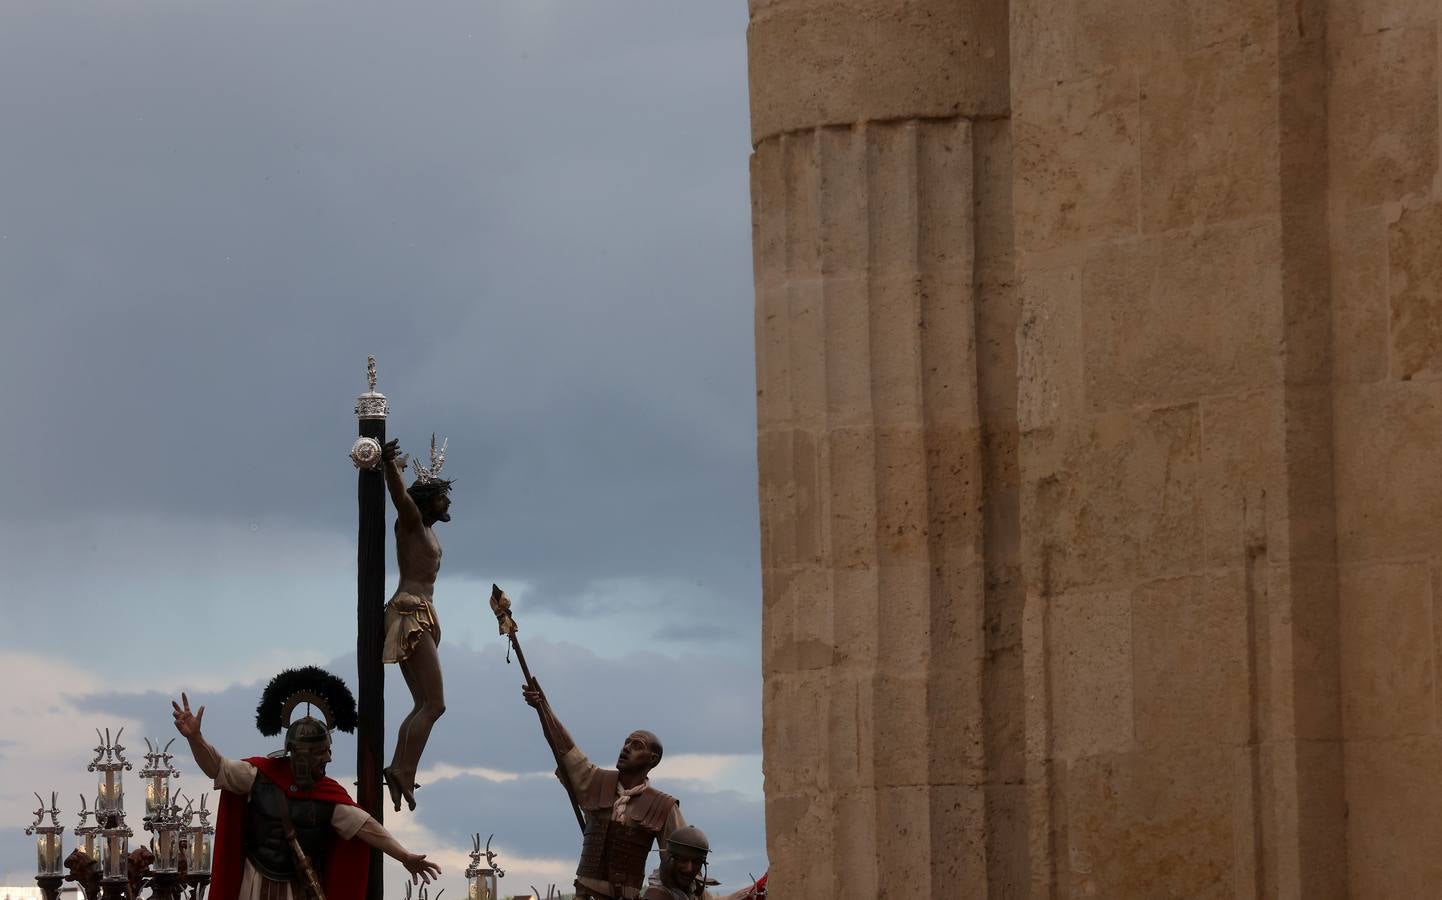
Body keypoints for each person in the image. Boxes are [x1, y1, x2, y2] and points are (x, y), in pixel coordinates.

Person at [171, 668, 441, 900]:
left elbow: (366, 826)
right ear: (300, 754)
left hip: (297, 888)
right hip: (252, 884)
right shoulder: (258, 776)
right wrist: (195, 738)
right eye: (321, 753)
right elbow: (215, 766)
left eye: (327, 751)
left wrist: (404, 856)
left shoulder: (328, 797)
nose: (328, 759)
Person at [522, 682, 683, 900]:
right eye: (626, 743)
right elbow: (567, 752)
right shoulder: (597, 783)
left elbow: (681, 861)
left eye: (637, 745)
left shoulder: (663, 806)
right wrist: (543, 709)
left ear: (652, 759)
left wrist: (656, 891)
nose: (626, 748)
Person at [380, 434, 452, 811]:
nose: (449, 502)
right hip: (410, 611)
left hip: (421, 611)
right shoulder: (410, 521)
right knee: (434, 703)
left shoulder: (428, 529)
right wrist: (391, 466)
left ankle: (401, 767)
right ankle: (402, 769)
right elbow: (399, 497)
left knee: (423, 702)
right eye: (443, 496)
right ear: (429, 500)